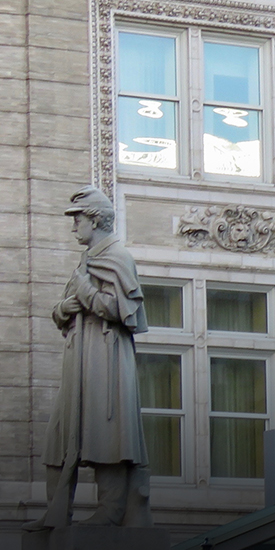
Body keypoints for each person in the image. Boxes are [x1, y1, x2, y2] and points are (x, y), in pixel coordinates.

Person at [24, 186, 153, 530]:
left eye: (77, 219)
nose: (73, 226)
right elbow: (64, 309)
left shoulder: (118, 257)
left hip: (105, 360)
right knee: (59, 436)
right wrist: (62, 309)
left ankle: (110, 513)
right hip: (78, 360)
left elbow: (121, 310)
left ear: (95, 219)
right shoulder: (86, 261)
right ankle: (56, 512)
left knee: (107, 434)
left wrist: (83, 292)